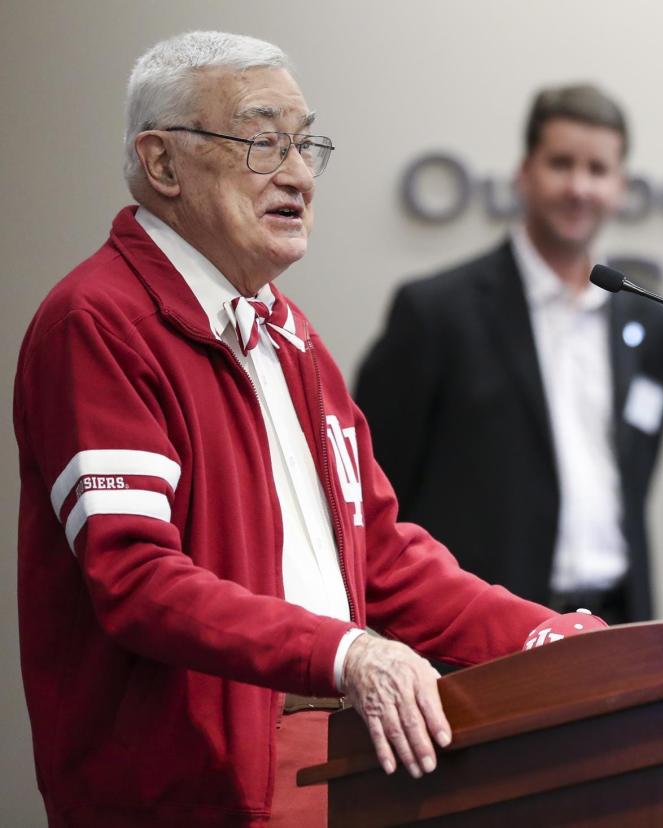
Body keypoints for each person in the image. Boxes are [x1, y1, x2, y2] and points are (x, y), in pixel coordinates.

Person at [12, 32, 592, 826]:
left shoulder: (292, 337)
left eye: (306, 144)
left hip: (337, 776)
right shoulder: (100, 321)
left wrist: (552, 642)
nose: (299, 174)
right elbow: (138, 579)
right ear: (163, 164)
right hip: (187, 797)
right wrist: (346, 652)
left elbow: (384, 562)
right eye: (262, 142)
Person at [356, 84, 663, 625]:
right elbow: (372, 489)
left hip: (617, 623)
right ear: (523, 173)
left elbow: (634, 481)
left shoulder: (650, 324)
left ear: (620, 187)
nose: (579, 187)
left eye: (598, 170)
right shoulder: (437, 313)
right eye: (561, 164)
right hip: (480, 634)